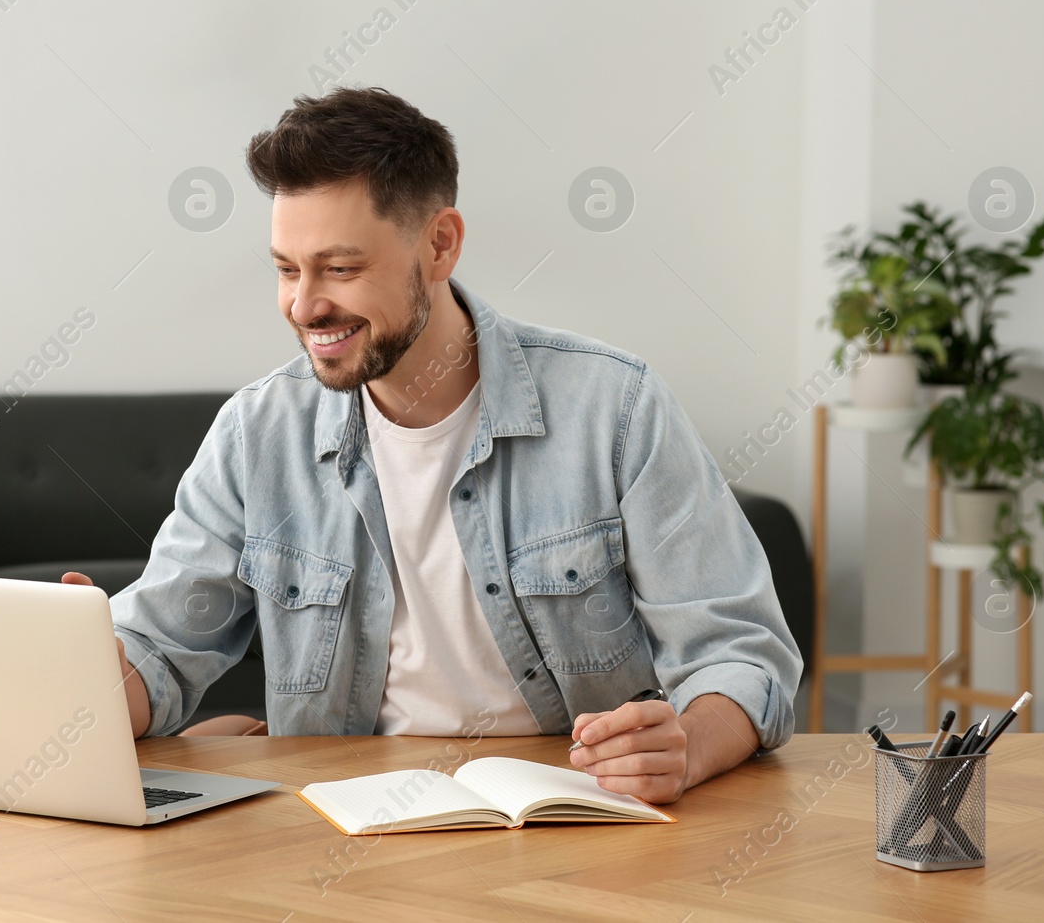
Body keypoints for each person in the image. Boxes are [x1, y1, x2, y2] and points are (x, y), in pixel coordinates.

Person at [63, 86, 801, 804]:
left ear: (440, 244)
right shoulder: (256, 435)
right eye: (287, 270)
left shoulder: (615, 406)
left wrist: (684, 747)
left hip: (577, 825)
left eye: (340, 268)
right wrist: (84, 667)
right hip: (343, 831)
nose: (304, 305)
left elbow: (739, 653)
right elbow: (159, 655)